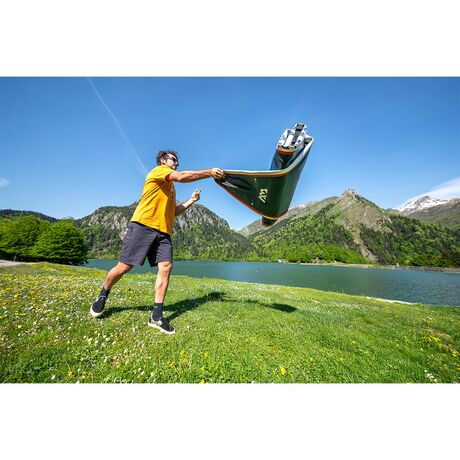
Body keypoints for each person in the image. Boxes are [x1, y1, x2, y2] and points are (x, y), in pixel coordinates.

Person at [90, 150, 225, 335]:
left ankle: (156, 316)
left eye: (177, 161)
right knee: (124, 266)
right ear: (163, 160)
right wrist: (209, 172)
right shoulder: (159, 172)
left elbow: (174, 212)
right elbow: (181, 176)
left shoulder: (170, 188)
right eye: (173, 160)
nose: (176, 163)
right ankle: (103, 294)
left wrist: (192, 201)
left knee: (166, 266)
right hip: (143, 225)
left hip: (163, 232)